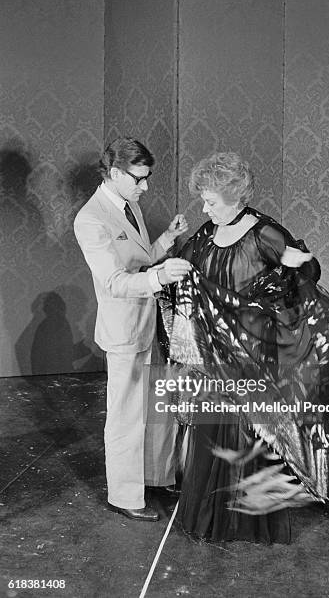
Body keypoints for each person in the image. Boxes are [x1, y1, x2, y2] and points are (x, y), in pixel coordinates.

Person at [158, 152, 329, 543]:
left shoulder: (265, 233)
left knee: (248, 436)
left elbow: (306, 276)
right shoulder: (206, 234)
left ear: (235, 197)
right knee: (211, 435)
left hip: (255, 357)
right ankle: (209, 517)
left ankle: (249, 522)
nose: (205, 208)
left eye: (211, 201)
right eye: (203, 200)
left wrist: (295, 266)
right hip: (214, 356)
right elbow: (182, 269)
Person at [74, 137, 191, 522]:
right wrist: (160, 277)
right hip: (124, 330)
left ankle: (156, 477)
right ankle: (124, 495)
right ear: (114, 173)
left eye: (146, 178)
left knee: (159, 408)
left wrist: (165, 241)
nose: (145, 187)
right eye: (139, 179)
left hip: (151, 321)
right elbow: (114, 281)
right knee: (125, 414)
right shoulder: (91, 219)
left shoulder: (130, 206)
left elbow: (140, 260)